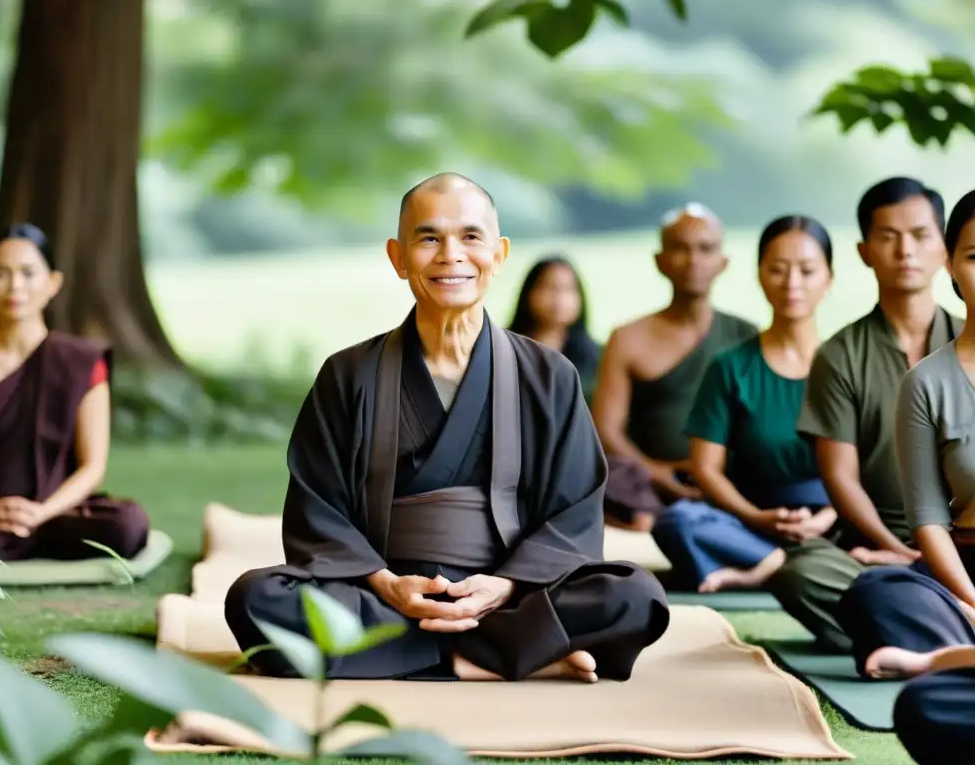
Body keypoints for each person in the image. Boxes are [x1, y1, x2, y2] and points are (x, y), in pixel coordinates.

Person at [224, 173, 670, 683]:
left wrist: (502, 586)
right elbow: (316, 511)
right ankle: (501, 654)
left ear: (499, 254)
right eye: (429, 238)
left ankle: (444, 652)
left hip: (513, 595)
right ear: (397, 257)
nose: (450, 254)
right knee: (255, 597)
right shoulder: (349, 374)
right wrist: (389, 585)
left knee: (636, 594)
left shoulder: (549, 376)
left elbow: (574, 515)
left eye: (471, 237)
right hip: (386, 597)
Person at [777, 177, 963, 652]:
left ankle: (917, 627)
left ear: (945, 248)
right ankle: (937, 626)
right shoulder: (840, 355)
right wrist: (902, 553)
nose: (906, 251)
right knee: (804, 572)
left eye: (921, 236)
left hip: (963, 541)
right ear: (864, 251)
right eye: (888, 236)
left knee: (891, 594)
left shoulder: (968, 343)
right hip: (875, 546)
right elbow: (840, 478)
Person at [835, 190, 975, 691]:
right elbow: (931, 521)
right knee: (874, 591)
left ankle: (940, 660)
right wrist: (970, 601)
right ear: (952, 264)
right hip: (963, 567)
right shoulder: (925, 383)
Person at [651, 216, 836, 592]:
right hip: (751, 522)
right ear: (760, 275)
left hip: (838, 523)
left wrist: (826, 518)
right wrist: (757, 517)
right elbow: (706, 470)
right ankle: (782, 563)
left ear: (828, 278)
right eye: (778, 270)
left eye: (807, 270)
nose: (792, 284)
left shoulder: (847, 364)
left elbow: (871, 472)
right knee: (677, 522)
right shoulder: (731, 365)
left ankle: (772, 568)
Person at [0, 224, 149, 561]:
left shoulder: (80, 362)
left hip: (59, 512)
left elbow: (92, 466)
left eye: (28, 273)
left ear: (53, 283)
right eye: (0, 274)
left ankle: (22, 535)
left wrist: (41, 513)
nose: (15, 286)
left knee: (126, 525)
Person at [592, 203, 757, 531]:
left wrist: (713, 476)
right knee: (593, 471)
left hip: (729, 483)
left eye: (705, 249)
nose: (693, 260)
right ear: (660, 261)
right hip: (644, 482)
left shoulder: (747, 336)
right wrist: (657, 471)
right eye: (680, 248)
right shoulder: (627, 338)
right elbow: (606, 430)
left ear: (723, 262)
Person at [507, 255, 601, 400]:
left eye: (568, 289)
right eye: (550, 287)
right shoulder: (503, 351)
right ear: (529, 293)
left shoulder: (597, 356)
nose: (560, 298)